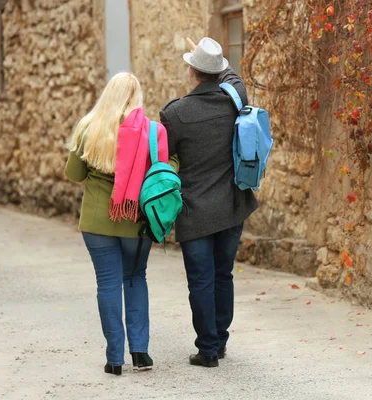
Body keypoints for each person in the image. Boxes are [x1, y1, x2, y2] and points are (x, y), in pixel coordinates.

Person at [160, 37, 258, 367]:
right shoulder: (234, 99)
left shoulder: (175, 114)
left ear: (192, 72)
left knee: (200, 279)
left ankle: (207, 348)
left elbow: (164, 159)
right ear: (217, 72)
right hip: (232, 205)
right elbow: (235, 79)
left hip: (196, 211)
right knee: (223, 274)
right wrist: (217, 58)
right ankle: (220, 340)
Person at [65, 72, 169, 375]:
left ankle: (114, 359)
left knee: (107, 284)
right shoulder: (152, 131)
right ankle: (140, 353)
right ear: (137, 96)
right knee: (135, 278)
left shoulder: (88, 128)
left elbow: (75, 174)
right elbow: (162, 169)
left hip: (97, 222)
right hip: (136, 221)